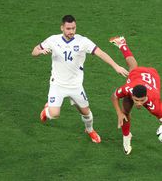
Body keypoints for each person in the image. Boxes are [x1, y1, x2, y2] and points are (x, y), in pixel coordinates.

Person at [31, 15, 128, 143]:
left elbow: (100, 53)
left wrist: (116, 66)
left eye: (73, 28)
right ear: (62, 28)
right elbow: (34, 51)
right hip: (58, 85)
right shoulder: (53, 40)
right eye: (68, 28)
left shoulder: (83, 41)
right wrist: (40, 52)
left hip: (75, 86)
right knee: (54, 114)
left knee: (86, 113)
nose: (71, 31)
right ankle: (47, 110)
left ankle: (90, 130)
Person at [110, 36, 162, 154]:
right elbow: (114, 96)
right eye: (136, 100)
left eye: (142, 101)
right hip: (137, 76)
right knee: (125, 111)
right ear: (132, 94)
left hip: (152, 75)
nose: (138, 103)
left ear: (146, 97)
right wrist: (119, 113)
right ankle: (126, 136)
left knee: (134, 66)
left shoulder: (155, 104)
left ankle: (122, 43)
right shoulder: (128, 89)